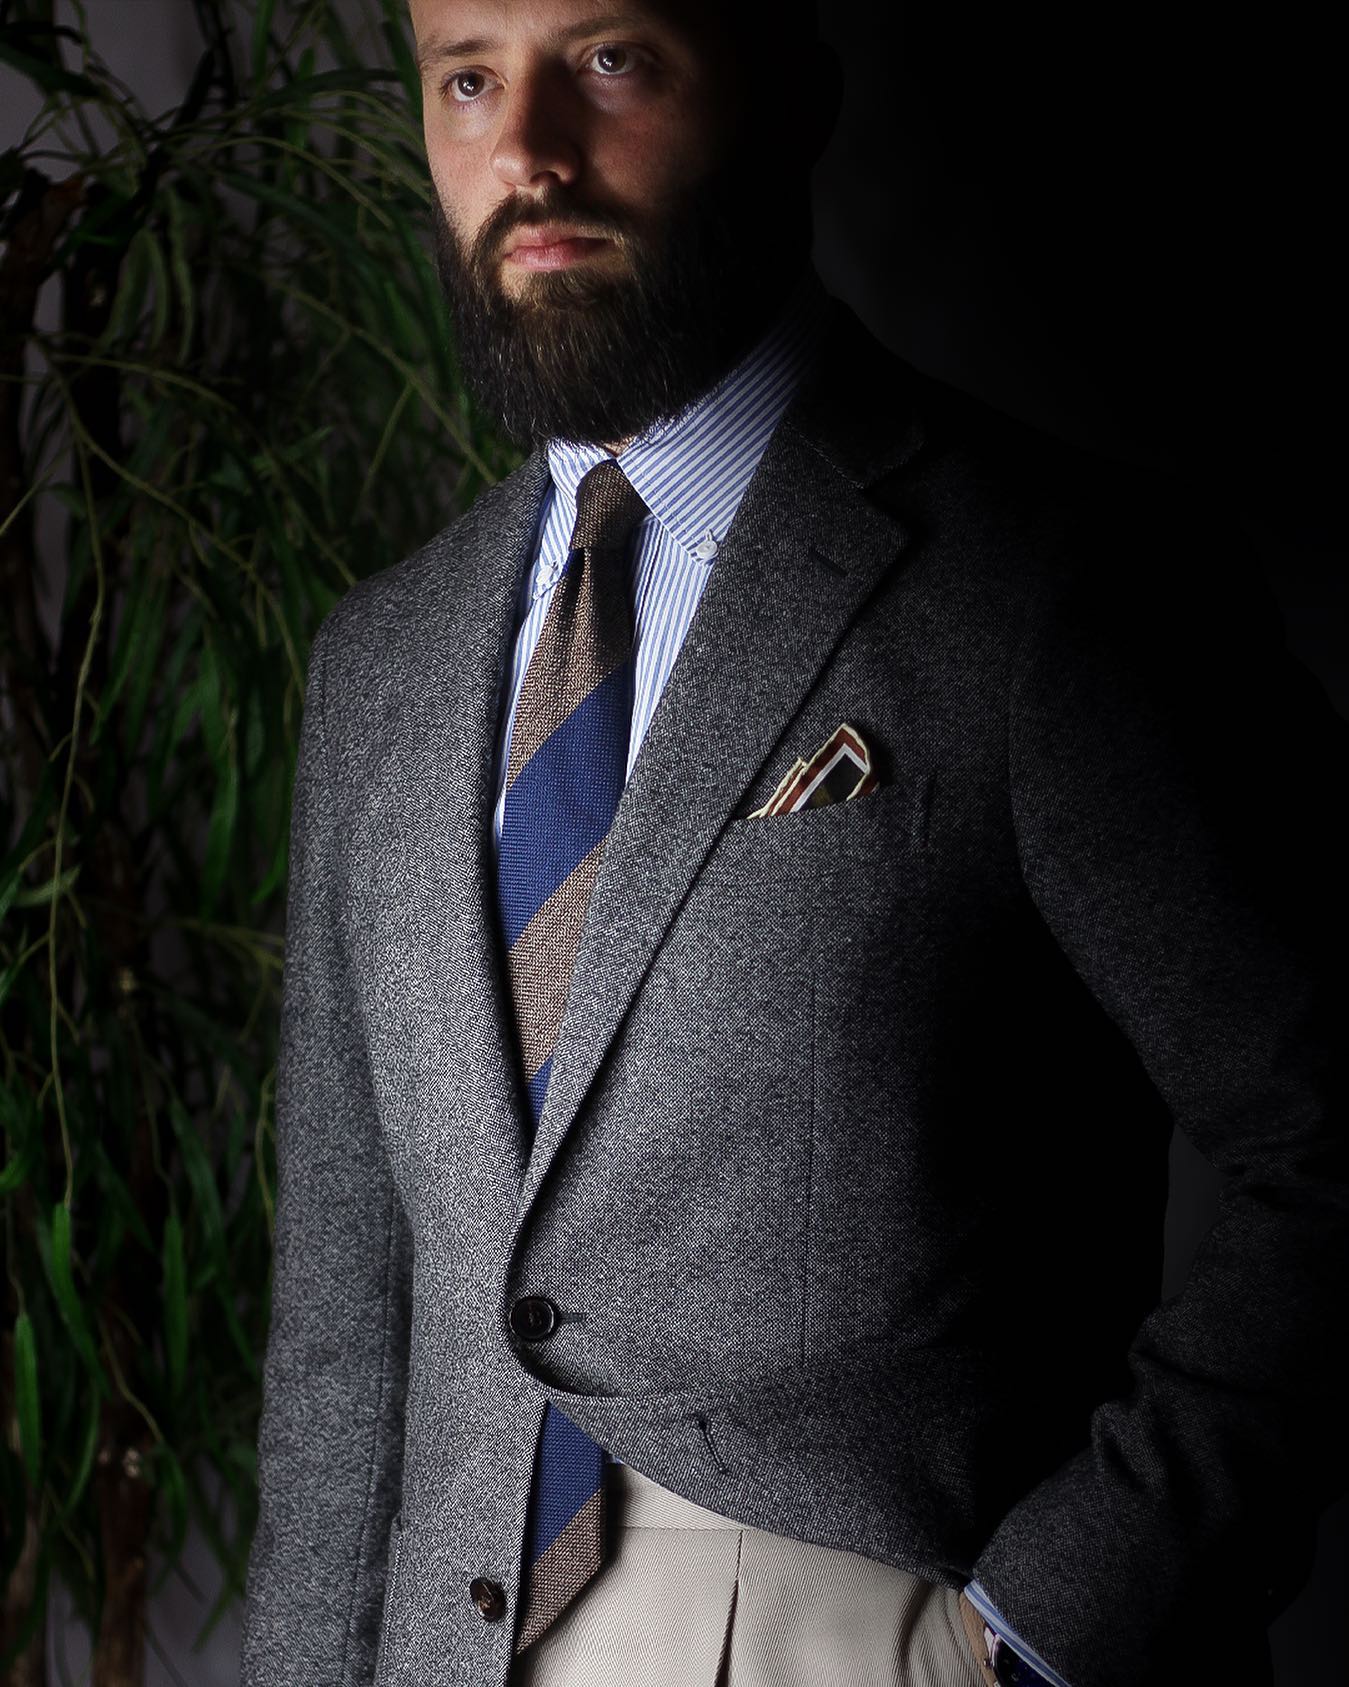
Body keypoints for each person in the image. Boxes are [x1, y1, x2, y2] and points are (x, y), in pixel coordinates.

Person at [238, 2, 1349, 1685]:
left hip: (871, 1619)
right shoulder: (378, 665)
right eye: (467, 79)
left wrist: (1044, 1629)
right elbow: (341, 1326)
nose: (527, 149)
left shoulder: (1050, 582)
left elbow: (1331, 1128)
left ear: (788, 90)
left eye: (610, 60)